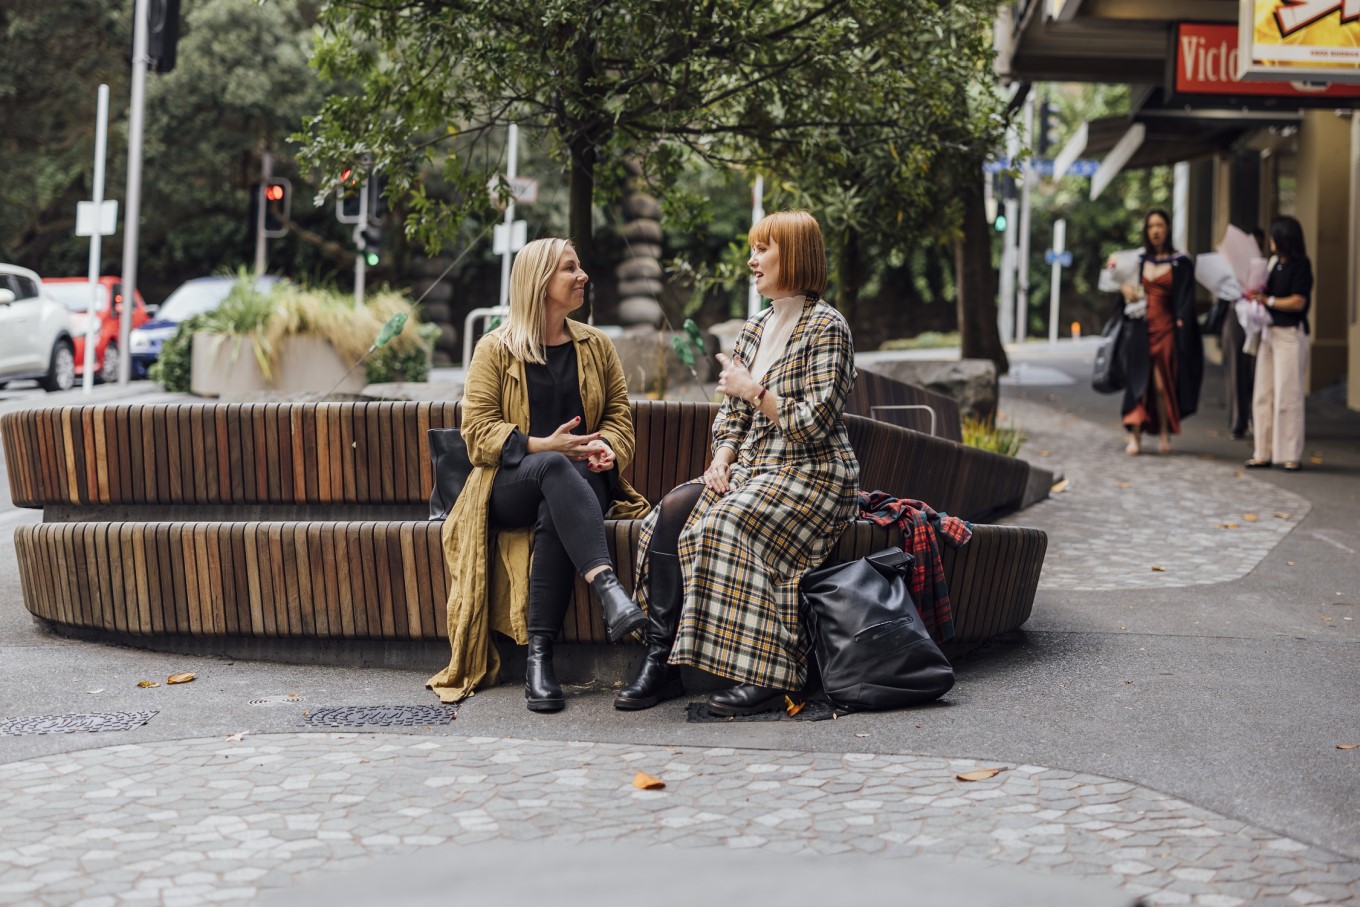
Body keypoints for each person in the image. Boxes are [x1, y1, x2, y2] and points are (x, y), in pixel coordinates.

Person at [614, 210, 860, 717]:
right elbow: (731, 416)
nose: (752, 260)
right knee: (666, 516)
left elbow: (815, 422)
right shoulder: (755, 327)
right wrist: (721, 459)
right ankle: (661, 663)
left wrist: (756, 391)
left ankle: (768, 675)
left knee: (725, 523)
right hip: (753, 468)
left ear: (792, 254)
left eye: (762, 249)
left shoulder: (827, 327)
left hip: (812, 473)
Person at [426, 238, 651, 711]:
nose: (583, 275)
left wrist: (607, 447)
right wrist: (542, 445)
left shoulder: (596, 346)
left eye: (580, 266)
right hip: (510, 484)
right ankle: (609, 591)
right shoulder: (495, 349)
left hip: (584, 480)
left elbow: (619, 418)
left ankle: (539, 661)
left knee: (559, 499)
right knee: (551, 467)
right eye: (570, 268)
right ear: (539, 282)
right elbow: (477, 432)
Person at [1118, 209, 1202, 455]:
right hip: (1140, 328)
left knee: (1161, 385)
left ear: (1167, 229)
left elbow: (1186, 301)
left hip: (1166, 329)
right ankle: (1135, 437)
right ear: (1146, 230)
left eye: (1160, 225)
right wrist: (1124, 289)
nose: (1155, 230)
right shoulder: (1138, 260)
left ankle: (1164, 433)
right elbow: (1120, 282)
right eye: (1151, 226)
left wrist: (1181, 325)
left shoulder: (1180, 262)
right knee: (1137, 383)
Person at [1246, 216, 1313, 471]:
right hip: (1269, 333)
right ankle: (1263, 451)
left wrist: (1269, 301)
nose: (1271, 241)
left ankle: (1289, 455)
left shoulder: (1301, 266)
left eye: (1274, 237)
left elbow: (1298, 302)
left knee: (1288, 395)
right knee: (1263, 393)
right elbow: (1263, 292)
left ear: (1285, 239)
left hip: (1290, 335)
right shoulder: (1274, 264)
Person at [1220, 228, 1264, 440]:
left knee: (1258, 369)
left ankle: (1257, 418)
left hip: (1259, 316)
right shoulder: (1229, 267)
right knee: (1236, 369)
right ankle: (1238, 421)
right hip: (1236, 315)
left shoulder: (1267, 266)